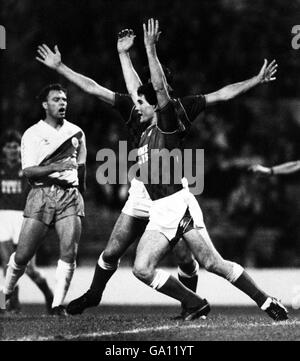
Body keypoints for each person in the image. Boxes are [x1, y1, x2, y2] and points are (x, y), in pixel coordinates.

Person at [36, 27, 287, 321]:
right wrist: (118, 55)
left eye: (146, 98)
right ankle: (230, 302)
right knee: (182, 260)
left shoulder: (170, 116)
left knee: (195, 262)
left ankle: (206, 303)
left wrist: (150, 48)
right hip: (155, 197)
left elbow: (220, 94)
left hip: (172, 200)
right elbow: (105, 88)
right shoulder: (141, 114)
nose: (137, 103)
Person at [1, 84, 87, 316]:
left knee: (69, 252)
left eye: (64, 100)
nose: (63, 103)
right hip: (41, 194)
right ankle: (5, 294)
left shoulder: (77, 132)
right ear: (45, 104)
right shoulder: (32, 134)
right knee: (22, 257)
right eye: (57, 99)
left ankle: (58, 305)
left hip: (70, 195)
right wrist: (56, 166)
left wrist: (81, 192)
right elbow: (28, 171)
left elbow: (81, 167)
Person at [0, 130, 53, 313]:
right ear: (3, 150)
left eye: (15, 146)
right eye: (8, 147)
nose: (12, 150)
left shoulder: (27, 168)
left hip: (23, 217)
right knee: (6, 265)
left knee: (29, 268)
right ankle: (9, 305)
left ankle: (49, 295)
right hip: (2, 218)